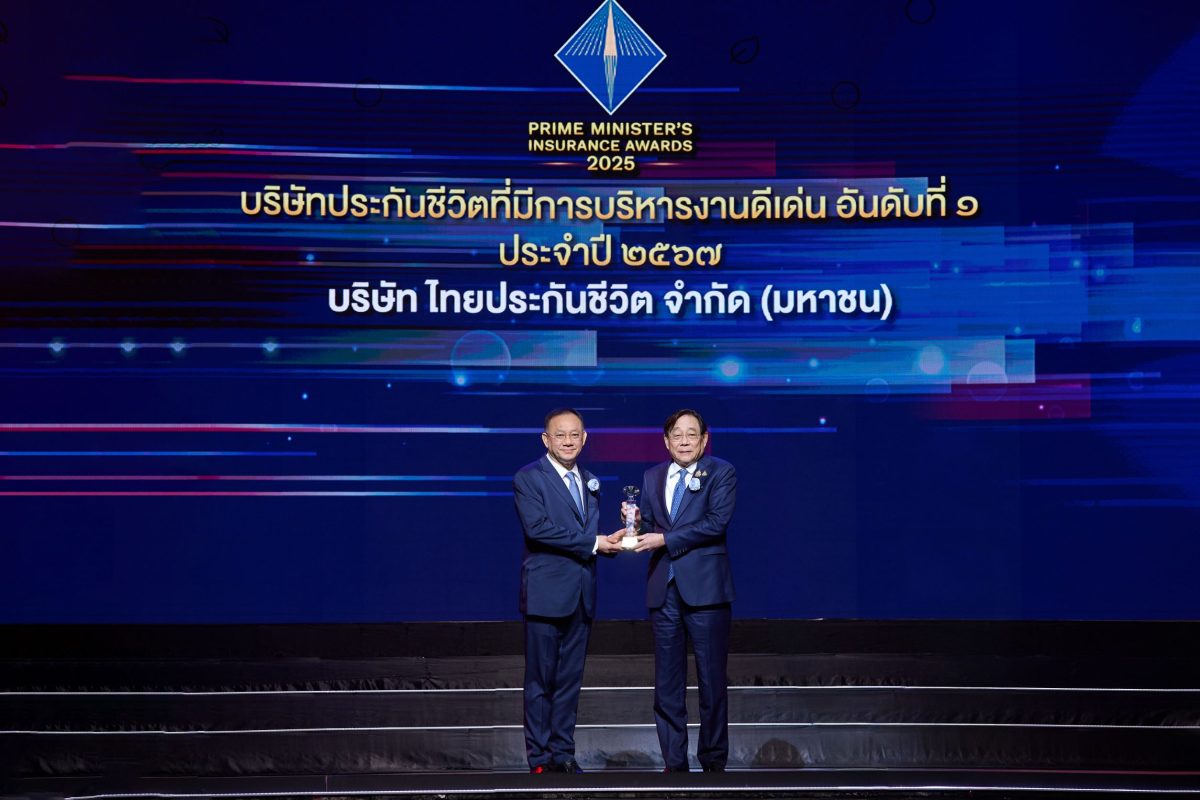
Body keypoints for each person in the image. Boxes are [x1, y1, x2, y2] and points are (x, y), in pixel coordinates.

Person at [626, 409, 736, 773]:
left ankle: (713, 762)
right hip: (664, 589)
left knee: (711, 681)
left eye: (692, 434)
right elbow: (649, 525)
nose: (684, 441)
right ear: (666, 440)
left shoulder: (721, 472)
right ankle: (674, 763)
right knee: (667, 683)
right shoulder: (652, 476)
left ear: (704, 440)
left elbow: (715, 523)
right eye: (677, 434)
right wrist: (634, 521)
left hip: (706, 590)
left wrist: (665, 539)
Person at [514, 408, 623, 774]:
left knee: (569, 682)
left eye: (575, 434)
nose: (568, 441)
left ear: (584, 438)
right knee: (540, 682)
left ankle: (563, 752)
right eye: (560, 435)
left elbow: (586, 537)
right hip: (545, 595)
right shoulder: (529, 478)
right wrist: (594, 543)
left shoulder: (590, 480)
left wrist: (612, 542)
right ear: (546, 439)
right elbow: (538, 530)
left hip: (581, 594)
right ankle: (540, 758)